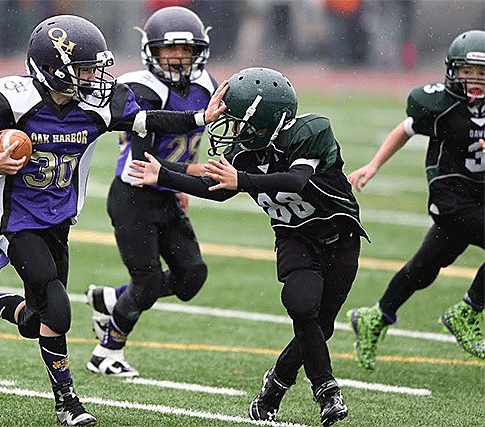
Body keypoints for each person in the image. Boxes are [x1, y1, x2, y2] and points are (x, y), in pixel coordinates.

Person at [0, 14, 226, 426]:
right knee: (59, 312)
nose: (95, 77)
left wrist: (199, 118)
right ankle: (68, 404)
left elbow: (148, 120)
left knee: (36, 320)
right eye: (84, 69)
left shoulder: (96, 105)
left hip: (59, 221)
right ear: (52, 69)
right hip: (17, 221)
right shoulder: (12, 101)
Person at [129, 67, 368, 427]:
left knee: (322, 325)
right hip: (294, 236)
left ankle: (275, 385)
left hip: (339, 236)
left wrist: (244, 180)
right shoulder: (244, 154)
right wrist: (164, 176)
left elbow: (298, 180)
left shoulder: (310, 131)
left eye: (240, 122)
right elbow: (221, 191)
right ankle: (327, 390)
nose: (233, 130)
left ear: (266, 119)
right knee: (301, 306)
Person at [84, 6, 216, 377]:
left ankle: (111, 299)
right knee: (147, 282)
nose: (178, 58)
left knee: (192, 277)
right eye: (169, 50)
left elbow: (188, 143)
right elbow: (145, 164)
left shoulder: (205, 85)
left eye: (187, 51)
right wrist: (191, 173)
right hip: (133, 195)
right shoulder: (141, 88)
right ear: (151, 52)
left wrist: (184, 178)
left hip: (166, 192)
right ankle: (105, 352)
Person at [346, 30, 485, 370]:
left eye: (483, 73)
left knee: (423, 269)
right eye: (468, 71)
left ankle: (375, 316)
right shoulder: (441, 107)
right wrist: (374, 164)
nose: (475, 80)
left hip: (479, 199)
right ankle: (467, 311)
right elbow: (404, 130)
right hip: (451, 198)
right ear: (453, 71)